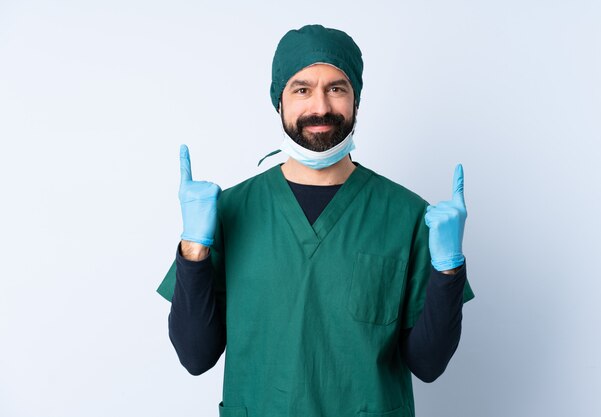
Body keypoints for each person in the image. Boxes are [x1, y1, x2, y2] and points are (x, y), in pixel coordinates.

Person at [157, 24, 474, 417]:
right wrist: (194, 250)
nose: (320, 107)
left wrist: (448, 271)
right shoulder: (228, 213)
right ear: (279, 101)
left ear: (356, 99)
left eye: (336, 88)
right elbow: (195, 356)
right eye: (302, 89)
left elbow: (428, 365)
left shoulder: (408, 216)